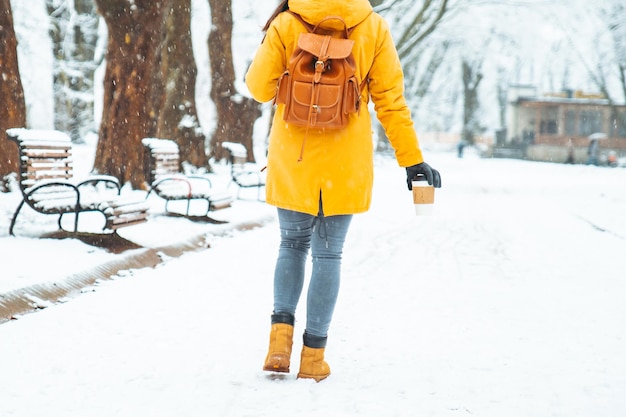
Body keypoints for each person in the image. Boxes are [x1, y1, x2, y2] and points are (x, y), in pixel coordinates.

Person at [245, 0, 442, 382]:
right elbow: (391, 103)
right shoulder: (372, 27)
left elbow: (258, 89)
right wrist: (412, 160)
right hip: (344, 160)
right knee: (328, 256)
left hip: (294, 155)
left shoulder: (288, 22)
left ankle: (278, 347)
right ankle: (314, 358)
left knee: (291, 245)